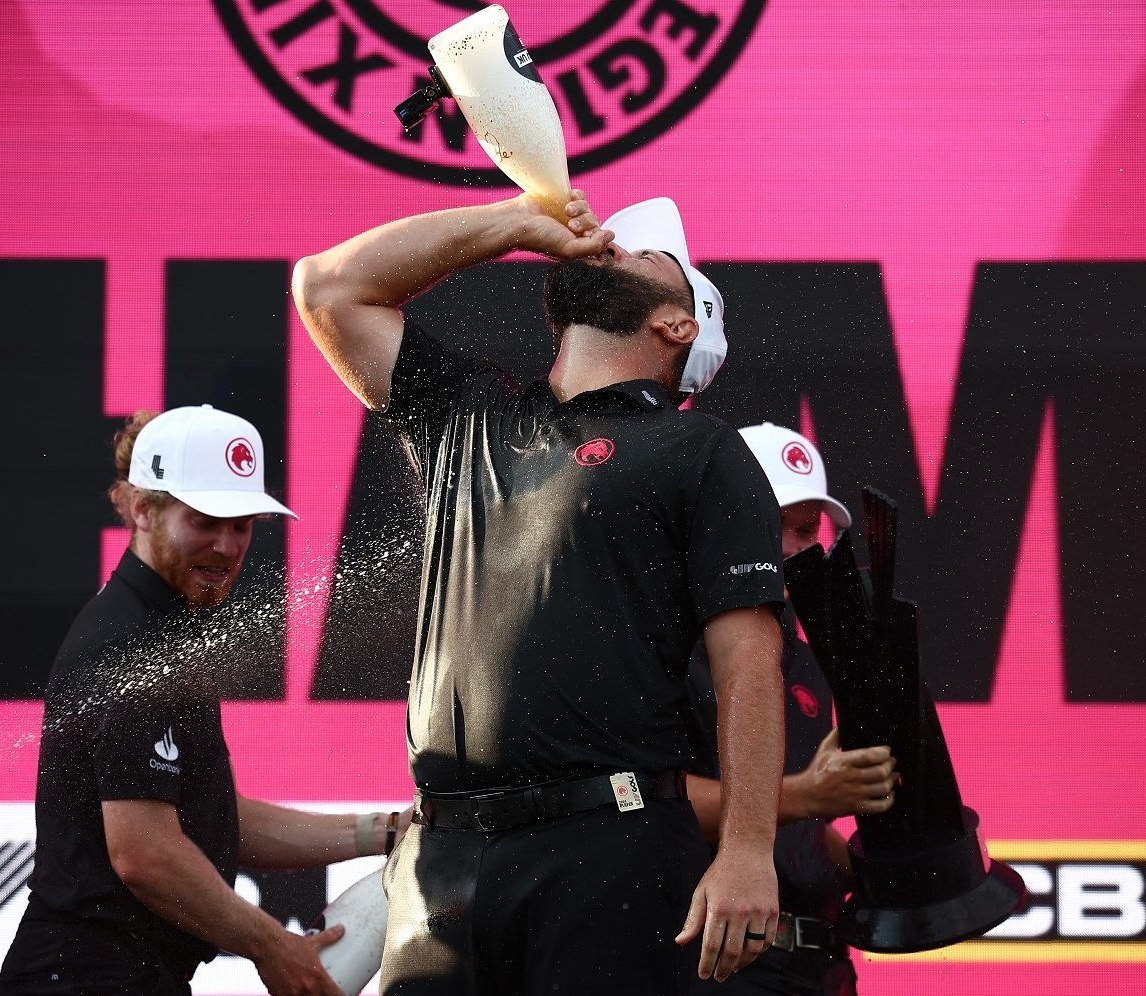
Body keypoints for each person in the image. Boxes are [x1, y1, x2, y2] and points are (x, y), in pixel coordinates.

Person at [292, 192, 786, 994]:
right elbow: (327, 288)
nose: (614, 246)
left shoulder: (697, 447)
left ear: (679, 325)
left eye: (647, 257)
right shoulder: (468, 414)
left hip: (608, 850)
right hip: (441, 862)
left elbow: (749, 661)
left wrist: (747, 849)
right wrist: (516, 222)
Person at [0, 405, 408, 996]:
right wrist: (274, 947)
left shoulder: (162, 629)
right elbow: (146, 855)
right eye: (205, 521)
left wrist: (389, 833)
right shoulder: (132, 646)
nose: (225, 546)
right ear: (142, 509)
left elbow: (216, 825)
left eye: (241, 525)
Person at [684, 424, 898, 996]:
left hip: (822, 965)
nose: (795, 549)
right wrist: (807, 794)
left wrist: (887, 863)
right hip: (718, 963)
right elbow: (643, 796)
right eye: (777, 525)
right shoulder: (668, 649)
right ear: (722, 519)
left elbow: (801, 827)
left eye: (809, 531)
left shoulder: (807, 662)